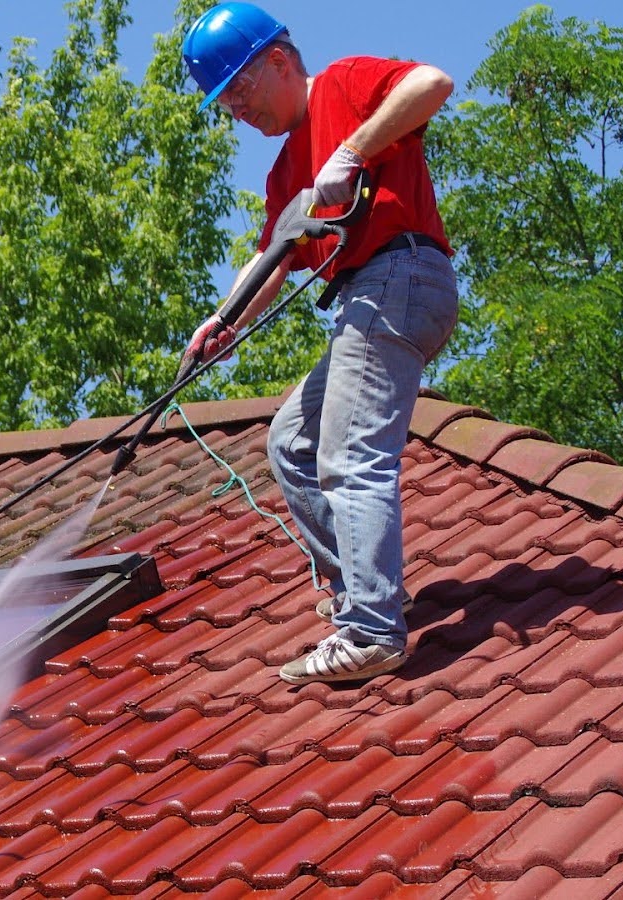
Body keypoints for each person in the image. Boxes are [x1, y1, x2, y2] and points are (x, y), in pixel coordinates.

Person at [181, 2, 460, 684]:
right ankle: (365, 597)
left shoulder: (342, 83)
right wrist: (224, 320)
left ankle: (370, 629)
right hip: (371, 296)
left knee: (347, 452)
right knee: (292, 444)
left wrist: (353, 150)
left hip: (401, 275)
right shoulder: (285, 174)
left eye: (239, 90)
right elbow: (277, 257)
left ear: (278, 61)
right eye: (225, 104)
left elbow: (433, 82)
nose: (237, 111)